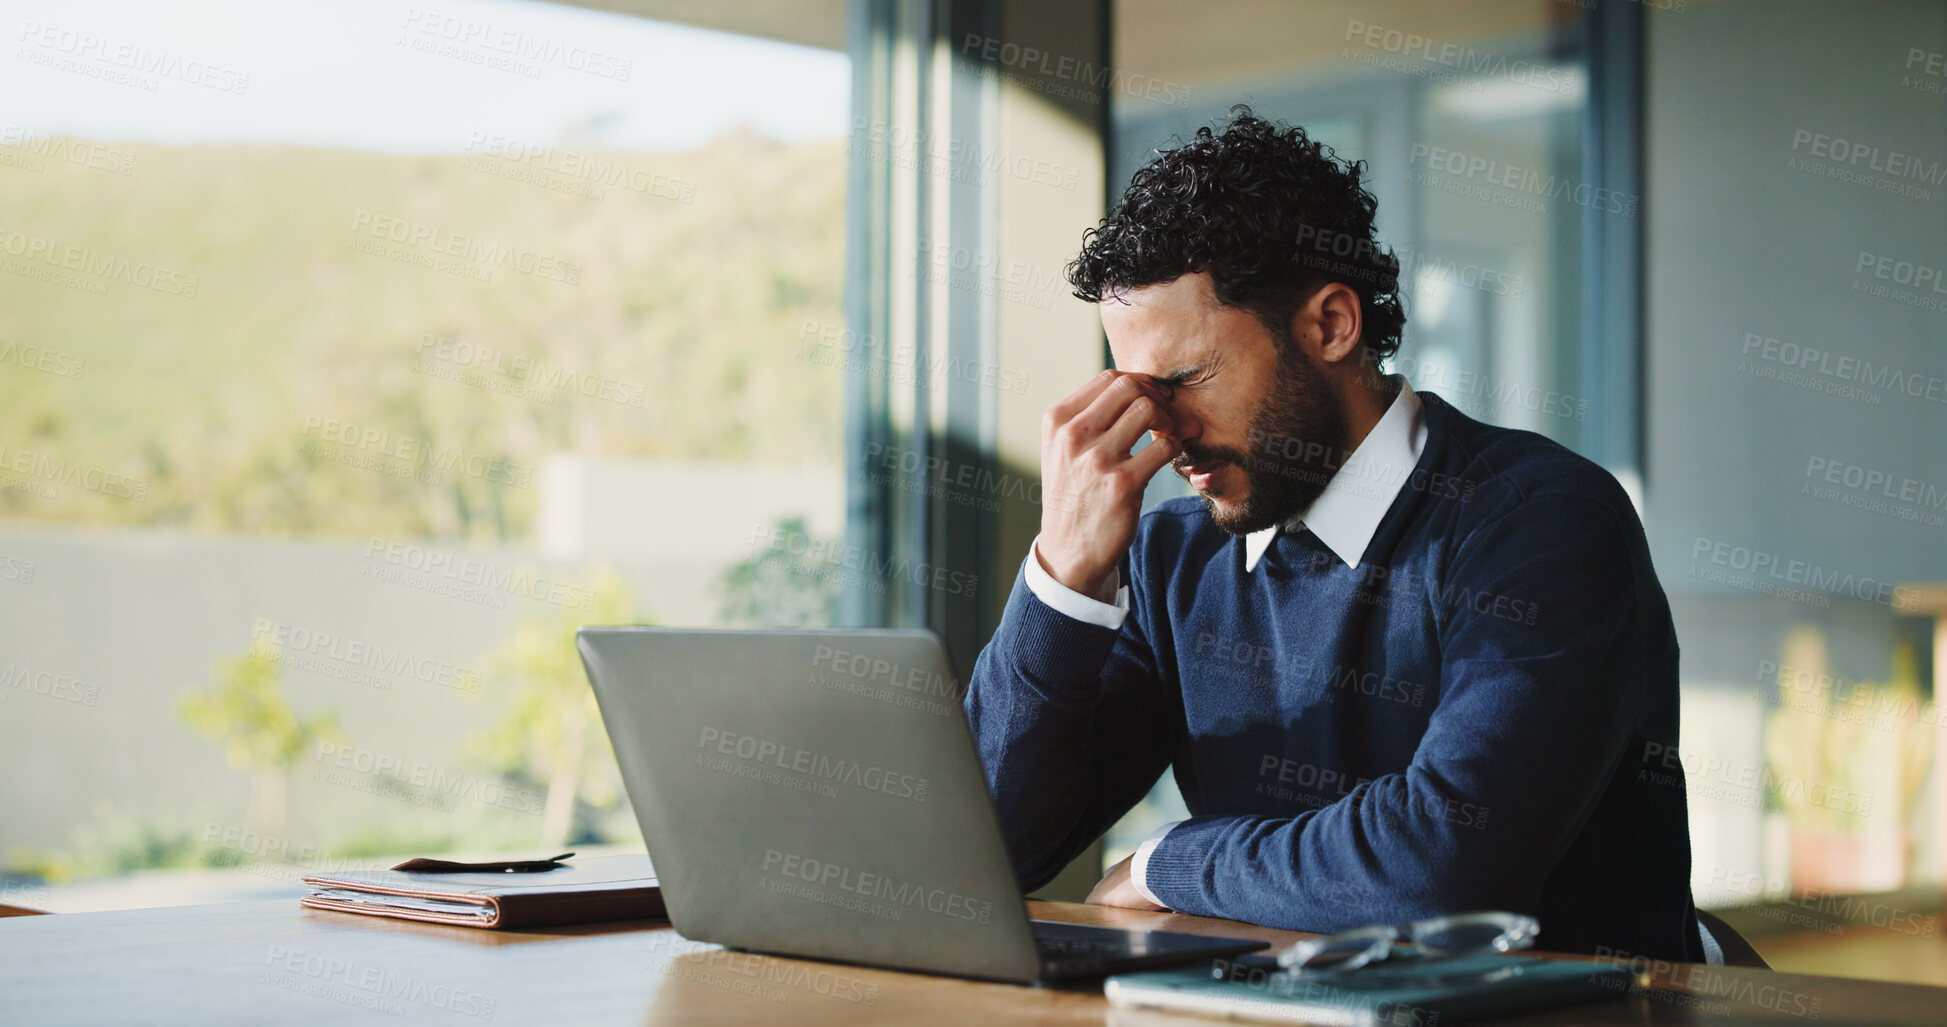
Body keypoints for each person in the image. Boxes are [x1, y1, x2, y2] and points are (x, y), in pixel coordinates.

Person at [963, 105, 1704, 962]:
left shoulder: (1543, 522)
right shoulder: (1173, 558)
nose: (1161, 433)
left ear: (1330, 325)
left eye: (1185, 379)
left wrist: (1172, 861)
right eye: (1137, 392)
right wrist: (1063, 574)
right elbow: (990, 854)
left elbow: (1439, 866)